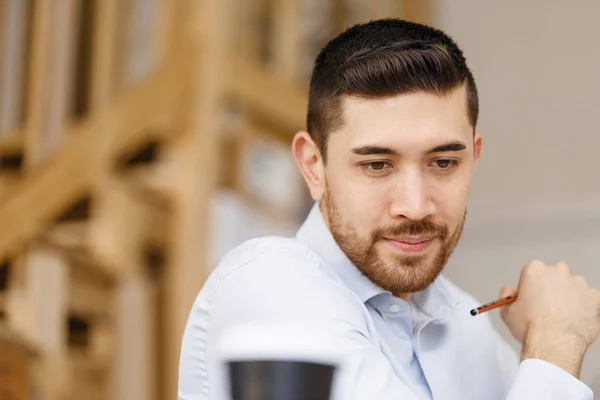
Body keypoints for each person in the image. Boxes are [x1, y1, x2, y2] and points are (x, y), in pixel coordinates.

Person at [178, 19, 600, 400]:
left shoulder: (466, 324)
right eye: (377, 165)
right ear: (313, 166)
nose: (415, 205)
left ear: (474, 157)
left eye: (443, 163)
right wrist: (555, 341)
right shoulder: (268, 285)